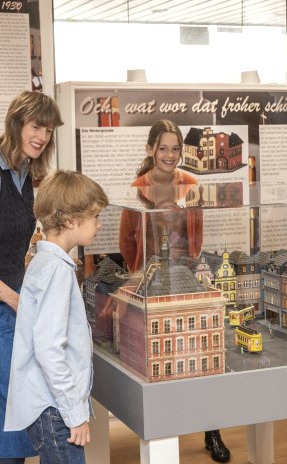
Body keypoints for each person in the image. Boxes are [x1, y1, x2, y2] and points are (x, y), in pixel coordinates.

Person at [119, 119, 231, 463]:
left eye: (176, 148)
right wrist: (141, 274)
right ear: (151, 149)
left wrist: (192, 271)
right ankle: (164, 429)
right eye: (163, 147)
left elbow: (197, 236)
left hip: (184, 277)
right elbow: (126, 241)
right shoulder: (137, 188)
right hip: (151, 279)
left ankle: (212, 431)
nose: (170, 155)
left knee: (202, 353)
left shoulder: (191, 185)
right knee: (161, 354)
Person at [4, 170, 109, 464]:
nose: (99, 225)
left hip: (48, 406)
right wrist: (75, 416)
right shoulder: (56, 271)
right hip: (55, 411)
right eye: (95, 217)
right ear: (71, 221)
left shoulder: (43, 262)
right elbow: (50, 347)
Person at [0, 91, 63, 464]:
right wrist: (12, 298)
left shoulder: (25, 174)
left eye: (49, 129)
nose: (42, 135)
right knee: (14, 400)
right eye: (36, 125)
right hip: (5, 301)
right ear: (17, 123)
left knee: (18, 401)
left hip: (14, 296)